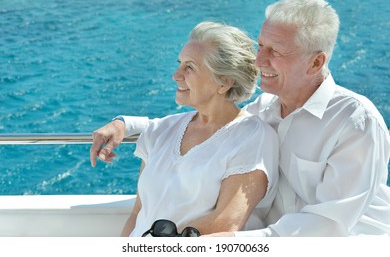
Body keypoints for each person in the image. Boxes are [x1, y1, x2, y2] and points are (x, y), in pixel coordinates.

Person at [90, 0, 390, 236]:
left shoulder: (355, 122)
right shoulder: (264, 110)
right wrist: (124, 124)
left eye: (275, 51)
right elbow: (197, 125)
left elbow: (329, 225)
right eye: (260, 45)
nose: (259, 61)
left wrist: (227, 241)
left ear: (316, 63)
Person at [103, 21, 279, 236]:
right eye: (179, 64)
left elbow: (225, 223)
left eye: (190, 67)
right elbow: (139, 212)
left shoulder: (252, 137)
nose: (176, 75)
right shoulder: (161, 131)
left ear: (224, 82)